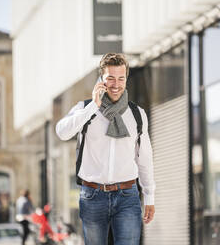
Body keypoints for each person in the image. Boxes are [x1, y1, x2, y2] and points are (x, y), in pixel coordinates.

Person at [55, 53, 155, 245]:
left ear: (126, 79)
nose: (116, 84)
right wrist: (94, 105)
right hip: (92, 196)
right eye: (110, 78)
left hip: (127, 196)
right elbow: (62, 132)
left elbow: (145, 159)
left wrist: (149, 195)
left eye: (121, 78)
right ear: (101, 79)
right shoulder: (85, 109)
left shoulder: (137, 114)